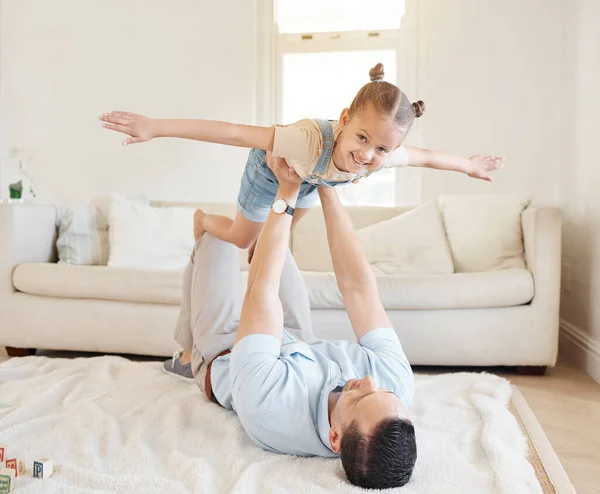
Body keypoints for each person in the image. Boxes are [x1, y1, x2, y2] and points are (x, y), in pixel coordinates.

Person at [162, 151, 417, 489]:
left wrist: (287, 189)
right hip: (298, 344)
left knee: (224, 239)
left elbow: (260, 290)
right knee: (267, 247)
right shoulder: (394, 384)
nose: (369, 381)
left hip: (224, 351)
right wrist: (329, 186)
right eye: (383, 391)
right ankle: (186, 346)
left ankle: (192, 355)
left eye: (360, 397)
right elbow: (358, 287)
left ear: (335, 437)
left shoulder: (270, 408)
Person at [99, 63, 504, 259]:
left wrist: (470, 165)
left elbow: (429, 157)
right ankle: (204, 219)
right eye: (361, 138)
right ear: (344, 120)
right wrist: (156, 126)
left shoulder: (385, 154)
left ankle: (262, 252)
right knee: (245, 240)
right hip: (272, 170)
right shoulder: (307, 141)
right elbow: (234, 132)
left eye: (381, 149)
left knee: (276, 242)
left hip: (312, 181)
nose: (367, 155)